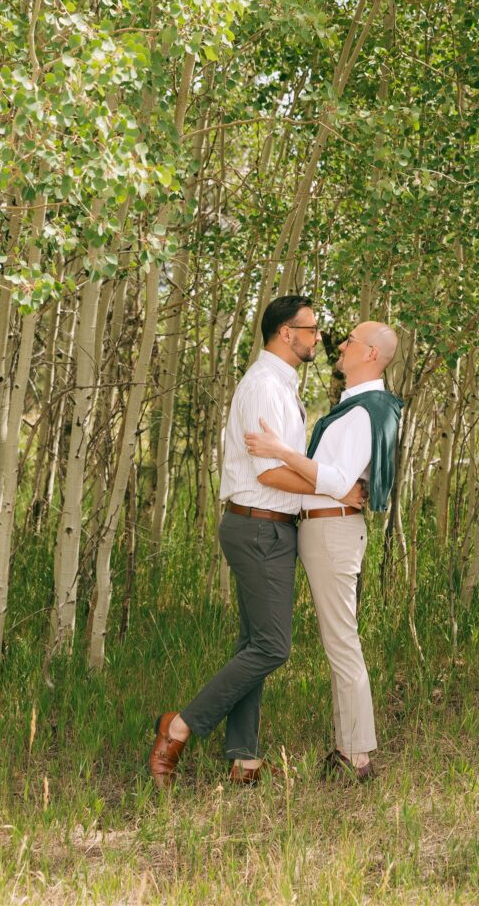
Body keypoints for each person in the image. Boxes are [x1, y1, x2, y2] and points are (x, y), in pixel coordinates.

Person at [148, 295, 365, 788]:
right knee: (272, 647)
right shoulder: (265, 386)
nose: (317, 337)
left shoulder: (281, 385)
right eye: (310, 329)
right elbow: (269, 472)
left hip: (268, 526)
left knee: (253, 642)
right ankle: (178, 728)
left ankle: (244, 758)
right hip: (259, 524)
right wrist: (334, 487)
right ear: (286, 334)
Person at [245, 320, 402, 781]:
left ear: (371, 354)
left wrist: (279, 450)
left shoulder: (364, 410)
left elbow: (336, 479)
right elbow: (340, 482)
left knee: (341, 643)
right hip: (328, 530)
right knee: (339, 641)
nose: (342, 344)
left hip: (332, 533)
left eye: (352, 340)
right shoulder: (361, 406)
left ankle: (356, 757)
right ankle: (347, 748)